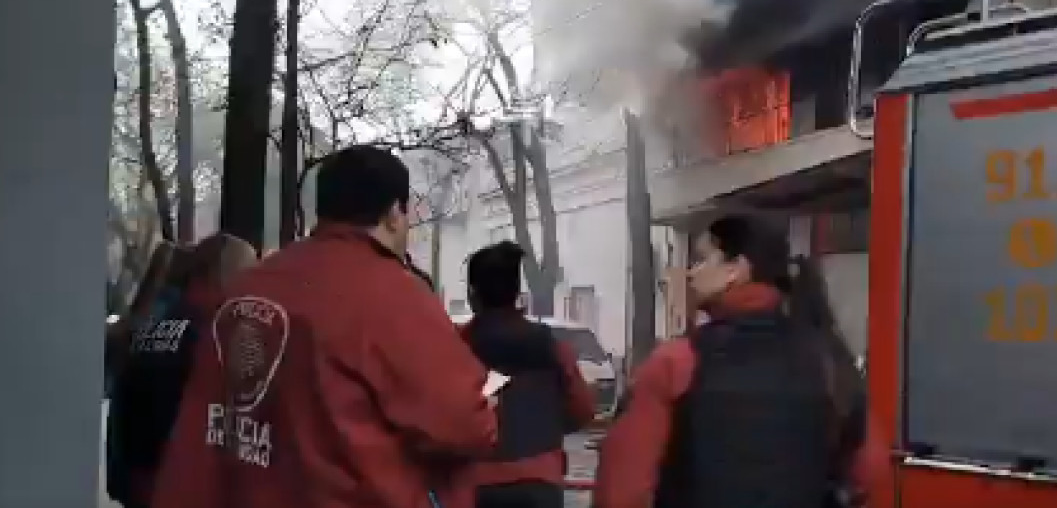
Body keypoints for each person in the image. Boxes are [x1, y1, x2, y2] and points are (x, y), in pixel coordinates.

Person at [149, 145, 497, 508]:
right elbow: (466, 425)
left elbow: (202, 426)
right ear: (395, 213)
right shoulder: (392, 295)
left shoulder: (246, 289)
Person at [593, 214, 886, 508]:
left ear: (737, 268)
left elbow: (623, 491)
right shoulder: (826, 361)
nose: (692, 272)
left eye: (703, 259)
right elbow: (870, 471)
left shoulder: (677, 362)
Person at [106, 234, 257, 508]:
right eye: (245, 278)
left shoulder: (151, 324)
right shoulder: (209, 340)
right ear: (216, 277)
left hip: (135, 484)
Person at [460, 241, 597, 508]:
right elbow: (583, 409)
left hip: (474, 486)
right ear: (517, 294)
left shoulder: (456, 345)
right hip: (540, 482)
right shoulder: (550, 345)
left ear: (472, 296)